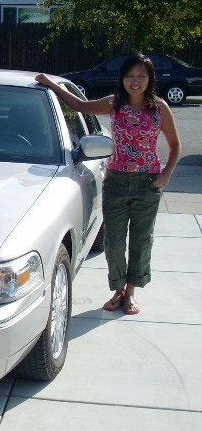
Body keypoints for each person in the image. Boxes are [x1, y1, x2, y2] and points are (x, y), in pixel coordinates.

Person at [36, 53, 181, 315]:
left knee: (141, 240)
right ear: (122, 78)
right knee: (114, 241)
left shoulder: (159, 108)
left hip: (148, 184)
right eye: (130, 76)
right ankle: (117, 289)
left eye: (141, 76)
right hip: (115, 181)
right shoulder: (114, 104)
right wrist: (51, 84)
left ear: (150, 79)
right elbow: (80, 105)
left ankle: (130, 293)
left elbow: (175, 146)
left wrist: (166, 175)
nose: (135, 81)